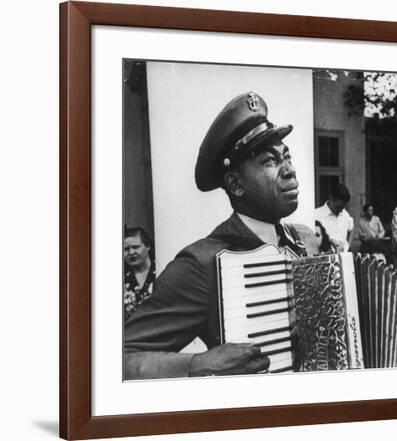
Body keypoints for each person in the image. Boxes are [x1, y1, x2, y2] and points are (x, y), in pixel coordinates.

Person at [124, 92, 307, 379]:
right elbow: (120, 359)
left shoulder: (302, 242)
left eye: (287, 156)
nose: (290, 171)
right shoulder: (201, 264)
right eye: (270, 161)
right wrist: (196, 364)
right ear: (235, 184)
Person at [123, 226, 156, 321]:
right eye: (126, 249)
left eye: (135, 247)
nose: (131, 252)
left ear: (148, 246)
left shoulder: (161, 273)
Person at [315, 183, 354, 252]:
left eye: (343, 207)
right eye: (338, 207)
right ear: (331, 199)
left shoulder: (345, 214)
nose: (340, 210)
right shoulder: (317, 214)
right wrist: (329, 241)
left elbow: (352, 228)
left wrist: (348, 245)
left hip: (344, 256)